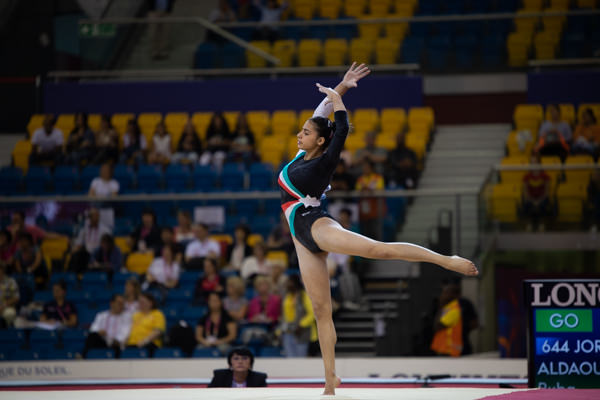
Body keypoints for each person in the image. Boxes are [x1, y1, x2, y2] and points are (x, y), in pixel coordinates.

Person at [276, 63, 477, 395]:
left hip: (316, 225)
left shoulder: (324, 162)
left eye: (306, 133)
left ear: (320, 140)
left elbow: (340, 127)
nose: (300, 134)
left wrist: (339, 102)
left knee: (378, 250)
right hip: (301, 238)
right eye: (302, 130)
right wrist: (342, 86)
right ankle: (330, 379)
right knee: (322, 310)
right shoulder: (302, 155)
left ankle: (445, 259)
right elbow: (322, 111)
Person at [279, 274, 316, 358]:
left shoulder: (304, 296)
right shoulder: (287, 296)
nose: (287, 285)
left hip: (301, 331)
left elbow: (312, 313)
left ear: (296, 283)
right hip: (288, 331)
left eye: (290, 282)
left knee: (300, 358)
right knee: (289, 357)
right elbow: (284, 314)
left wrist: (301, 325)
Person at [84, 294, 132, 358]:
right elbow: (93, 329)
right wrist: (99, 332)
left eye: (122, 304)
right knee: (92, 336)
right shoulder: (101, 315)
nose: (121, 306)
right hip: (103, 341)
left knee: (117, 345)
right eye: (119, 303)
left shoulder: (126, 317)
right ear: (112, 303)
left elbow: (125, 332)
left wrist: (115, 340)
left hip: (116, 344)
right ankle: (83, 356)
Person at [67, 207, 111, 274]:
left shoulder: (105, 230)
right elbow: (79, 244)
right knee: (76, 255)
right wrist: (74, 250)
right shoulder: (84, 230)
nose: (93, 218)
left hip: (100, 253)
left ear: (98, 216)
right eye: (91, 216)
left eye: (95, 215)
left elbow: (108, 245)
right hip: (86, 254)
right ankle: (73, 276)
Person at [430, 283, 463, 357]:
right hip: (444, 349)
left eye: (446, 293)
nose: (443, 295)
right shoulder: (448, 307)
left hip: (449, 351)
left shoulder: (454, 309)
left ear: (454, 295)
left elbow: (438, 326)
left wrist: (440, 306)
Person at [355, 159, 385, 239]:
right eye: (364, 167)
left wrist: (367, 190)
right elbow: (358, 190)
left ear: (372, 168)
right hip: (364, 209)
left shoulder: (378, 178)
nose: (365, 169)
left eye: (367, 167)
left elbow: (380, 190)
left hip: (375, 209)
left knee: (375, 231)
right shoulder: (360, 179)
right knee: (365, 232)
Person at [522, 155, 551, 231]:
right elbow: (525, 192)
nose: (533, 164)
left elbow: (546, 192)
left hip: (542, 198)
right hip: (531, 198)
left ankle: (542, 224)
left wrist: (539, 201)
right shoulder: (526, 177)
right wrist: (533, 201)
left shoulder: (545, 176)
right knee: (527, 204)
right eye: (531, 163)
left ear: (539, 163)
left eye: (535, 162)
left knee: (543, 205)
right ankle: (529, 224)